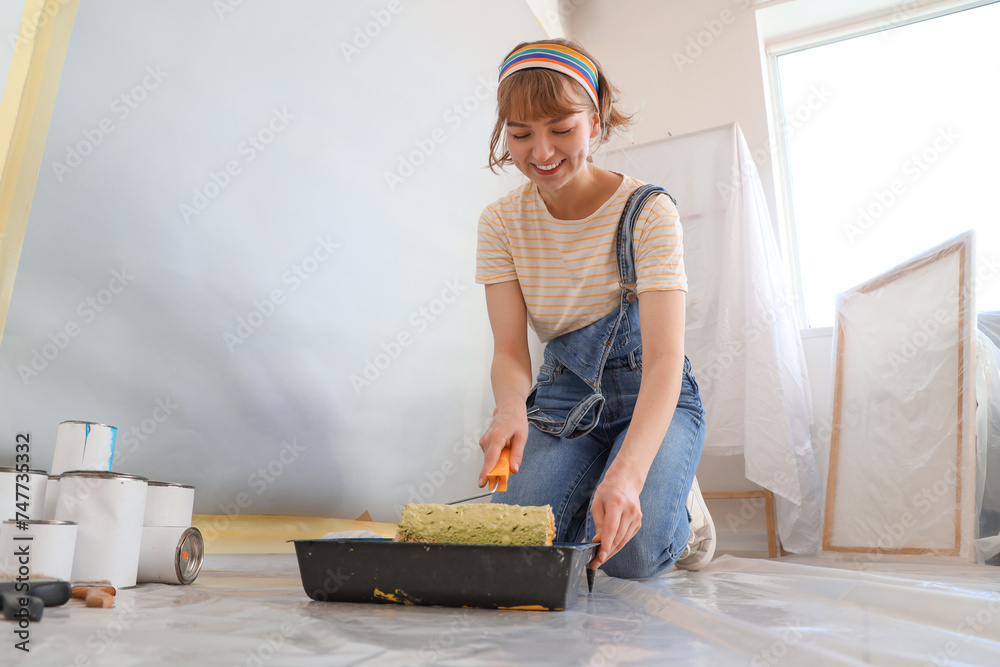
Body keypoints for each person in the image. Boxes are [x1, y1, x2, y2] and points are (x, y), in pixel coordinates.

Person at [474, 39, 715, 578]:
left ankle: (684, 513)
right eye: (520, 134)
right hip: (562, 403)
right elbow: (510, 351)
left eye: (561, 129)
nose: (540, 152)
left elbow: (663, 361)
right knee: (520, 545)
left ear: (597, 122)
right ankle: (609, 480)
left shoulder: (648, 212)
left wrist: (630, 474)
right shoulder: (499, 224)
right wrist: (511, 409)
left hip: (650, 396)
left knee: (632, 556)